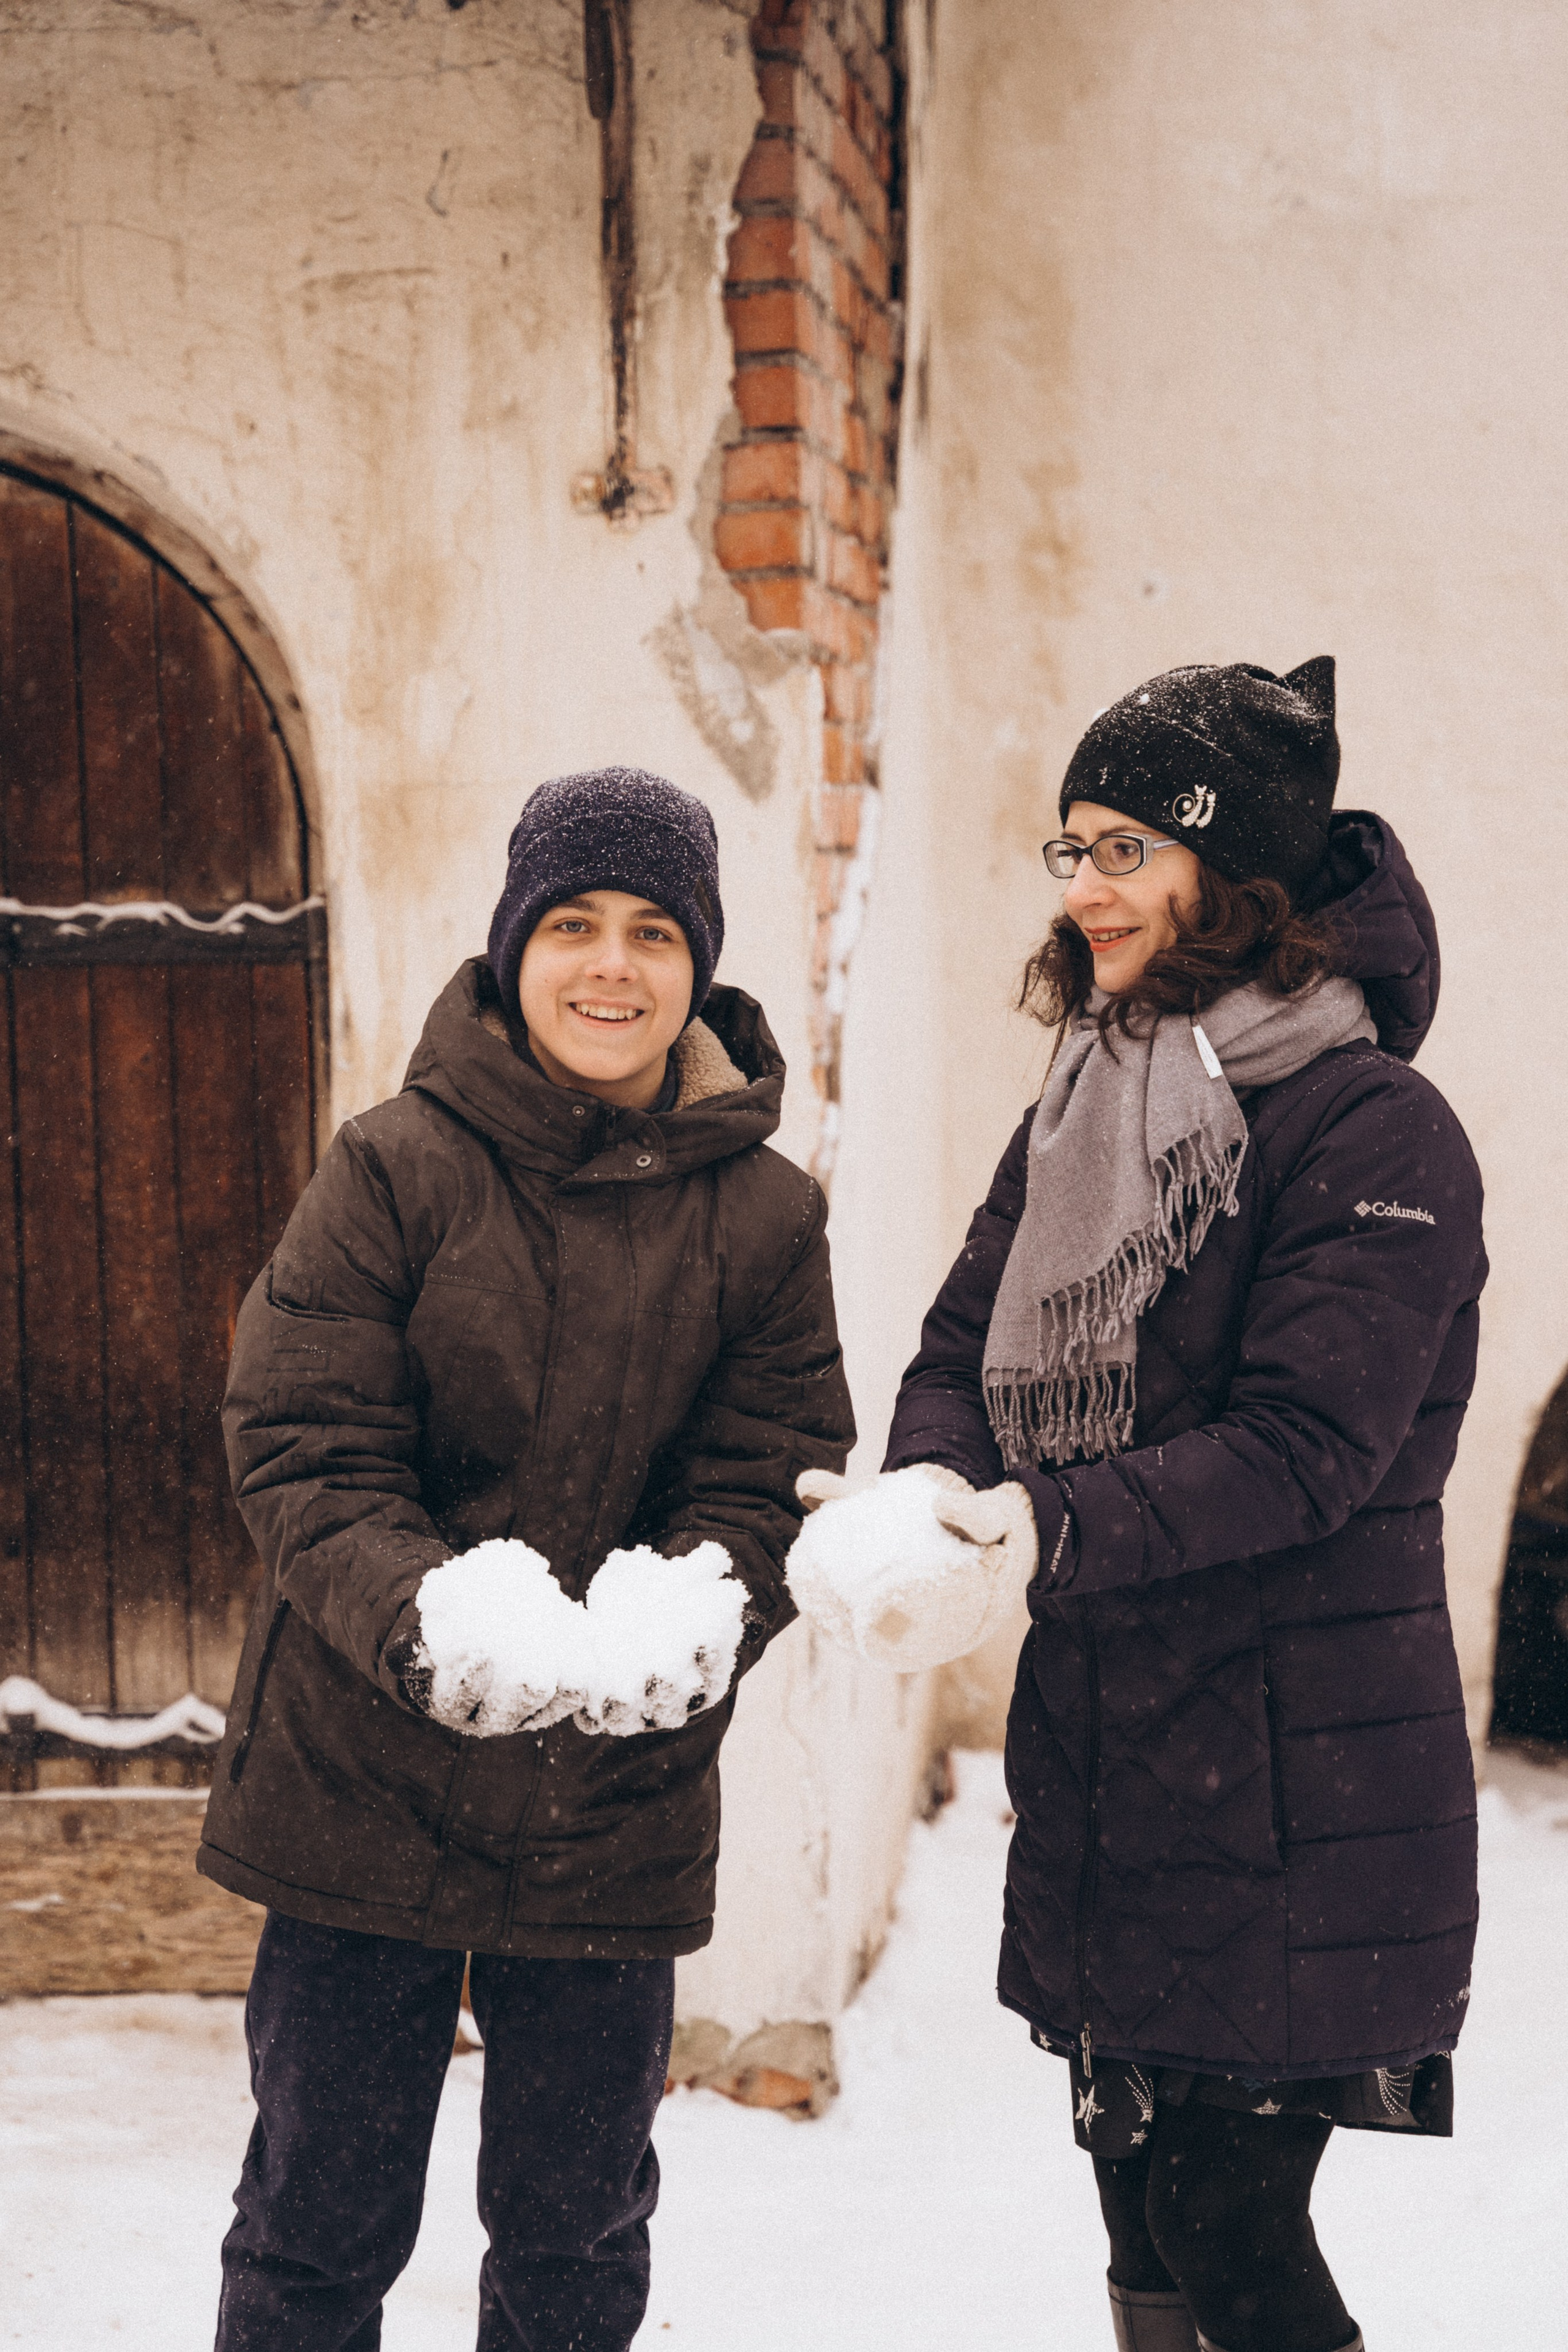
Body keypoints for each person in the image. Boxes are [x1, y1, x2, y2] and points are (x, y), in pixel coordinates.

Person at [789, 661, 1484, 2352]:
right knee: (1138, 2205)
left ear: (1231, 872)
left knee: (1225, 2215)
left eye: (1126, 850)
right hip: (1122, 1761)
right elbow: (965, 1345)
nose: (1085, 888)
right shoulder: (1090, 1098)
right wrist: (933, 1494)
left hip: (1300, 1776)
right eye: (1073, 849)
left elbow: (1309, 1449)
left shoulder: (1374, 1130)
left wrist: (1051, 1526)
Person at [199, 764, 854, 2352]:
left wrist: (694, 1608)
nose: (611, 966)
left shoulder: (767, 1217)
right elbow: (306, 1440)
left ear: (699, 963)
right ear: (514, 948)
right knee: (315, 2228)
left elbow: (768, 1473)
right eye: (573, 924)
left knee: (575, 2243)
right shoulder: (392, 1166)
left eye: (652, 932)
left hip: (608, 1807)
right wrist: (427, 1614)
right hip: (362, 1783)